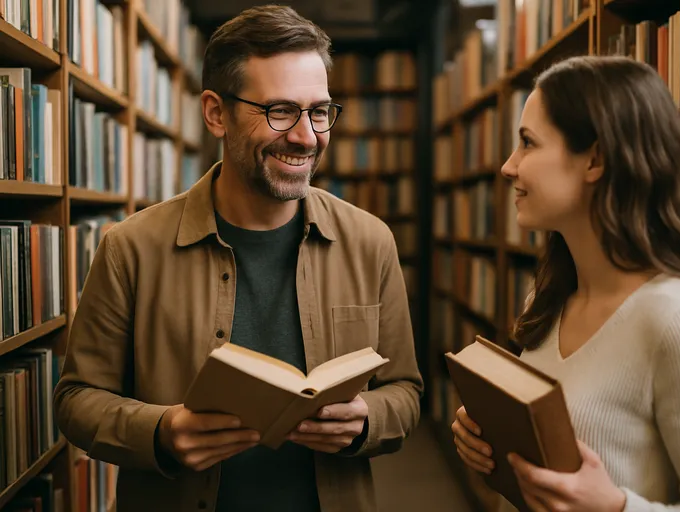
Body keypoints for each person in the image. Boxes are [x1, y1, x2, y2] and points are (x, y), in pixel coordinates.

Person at [53, 5, 423, 512]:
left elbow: (405, 391)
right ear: (215, 113)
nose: (306, 136)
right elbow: (76, 401)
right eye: (279, 110)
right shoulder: (131, 248)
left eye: (319, 111)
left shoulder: (371, 242)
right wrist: (161, 431)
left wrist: (367, 419)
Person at [451, 55, 680, 511]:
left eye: (528, 143)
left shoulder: (678, 320)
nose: (508, 166)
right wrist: (492, 445)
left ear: (594, 158)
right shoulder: (548, 298)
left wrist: (616, 508)